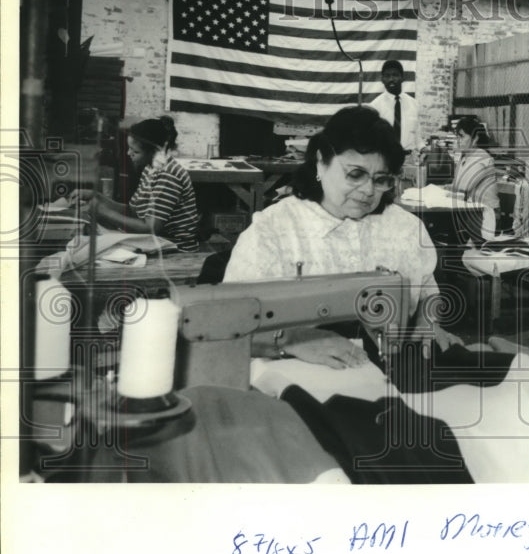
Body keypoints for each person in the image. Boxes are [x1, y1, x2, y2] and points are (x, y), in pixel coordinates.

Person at [224, 106, 458, 367]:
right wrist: (289, 340)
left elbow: (428, 292)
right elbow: (225, 325)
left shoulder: (406, 228)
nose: (368, 190)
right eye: (355, 174)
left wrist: (428, 322)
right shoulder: (272, 231)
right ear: (321, 163)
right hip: (294, 385)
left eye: (381, 179)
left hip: (389, 376)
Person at [69, 116, 199, 251]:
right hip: (156, 242)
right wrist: (96, 196)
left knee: (93, 248)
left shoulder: (168, 175)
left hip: (175, 248)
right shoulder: (150, 169)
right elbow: (133, 211)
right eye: (129, 148)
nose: (128, 153)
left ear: (154, 151)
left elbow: (150, 228)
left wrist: (103, 212)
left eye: (135, 151)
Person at [447, 115, 500, 238]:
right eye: (457, 137)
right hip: (473, 213)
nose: (458, 140)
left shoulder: (482, 157)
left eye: (462, 136)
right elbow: (456, 185)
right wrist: (444, 188)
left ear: (475, 138)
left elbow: (463, 187)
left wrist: (447, 190)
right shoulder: (465, 157)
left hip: (487, 215)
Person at [369, 59, 421, 154]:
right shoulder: (374, 107)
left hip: (409, 159)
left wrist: (423, 149)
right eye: (387, 76)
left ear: (402, 78)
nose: (391, 79)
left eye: (395, 75)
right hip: (386, 158)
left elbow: (417, 135)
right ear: (382, 79)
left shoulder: (414, 104)